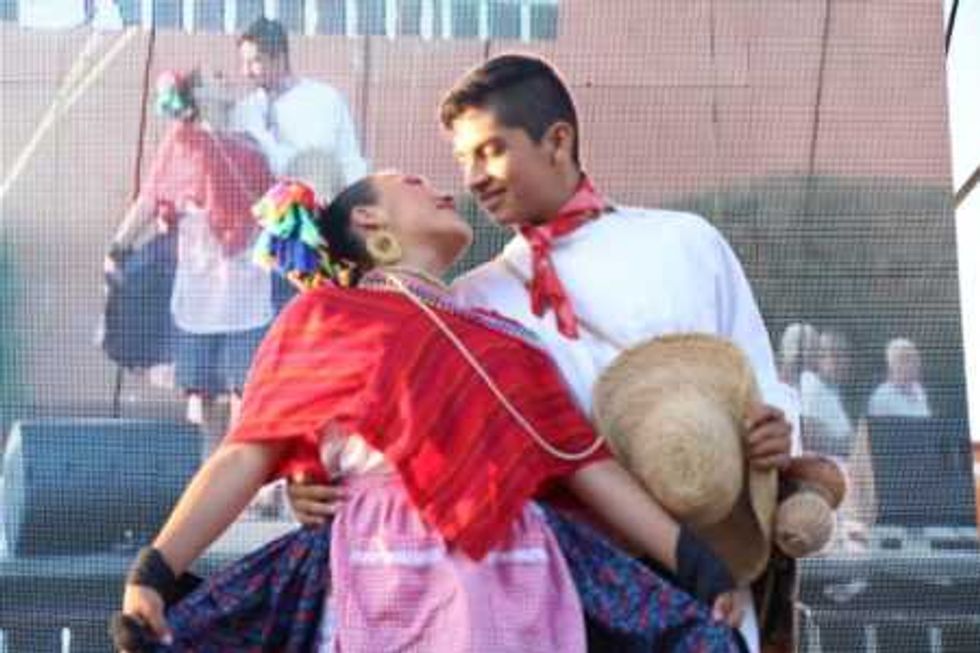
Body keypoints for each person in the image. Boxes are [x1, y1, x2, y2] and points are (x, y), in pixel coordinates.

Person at [112, 175, 746, 653]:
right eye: (414, 183)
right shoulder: (327, 317)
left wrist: (697, 566)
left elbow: (586, 465)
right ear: (368, 218)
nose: (443, 189)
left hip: (516, 575)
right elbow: (246, 453)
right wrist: (156, 569)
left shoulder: (508, 339)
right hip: (383, 568)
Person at [289, 54, 794, 652]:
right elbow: (405, 437)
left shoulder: (686, 242)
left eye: (491, 151)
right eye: (463, 159)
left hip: (703, 558)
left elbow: (753, 379)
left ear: (557, 140)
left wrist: (773, 432)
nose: (473, 178)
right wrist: (313, 477)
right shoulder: (470, 303)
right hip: (567, 581)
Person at [105, 69, 274, 452]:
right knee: (201, 389)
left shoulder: (254, 142)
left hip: (247, 284)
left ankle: (239, 471)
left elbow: (277, 205)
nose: (224, 79)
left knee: (246, 387)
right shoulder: (182, 143)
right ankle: (205, 466)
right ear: (197, 94)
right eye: (213, 78)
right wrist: (119, 246)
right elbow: (151, 197)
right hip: (199, 284)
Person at [231, 16, 367, 183]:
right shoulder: (246, 109)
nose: (246, 72)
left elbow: (312, 167)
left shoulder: (321, 100)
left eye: (255, 61)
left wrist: (260, 139)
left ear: (279, 58)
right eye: (243, 62)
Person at [801, 330, 854, 458]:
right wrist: (853, 446)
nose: (846, 362)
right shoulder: (811, 385)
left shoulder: (833, 390)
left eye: (846, 356)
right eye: (839, 356)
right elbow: (809, 435)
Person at [867, 337, 931, 418]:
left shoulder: (918, 390)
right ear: (893, 365)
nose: (915, 365)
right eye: (907, 360)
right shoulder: (882, 396)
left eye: (915, 360)